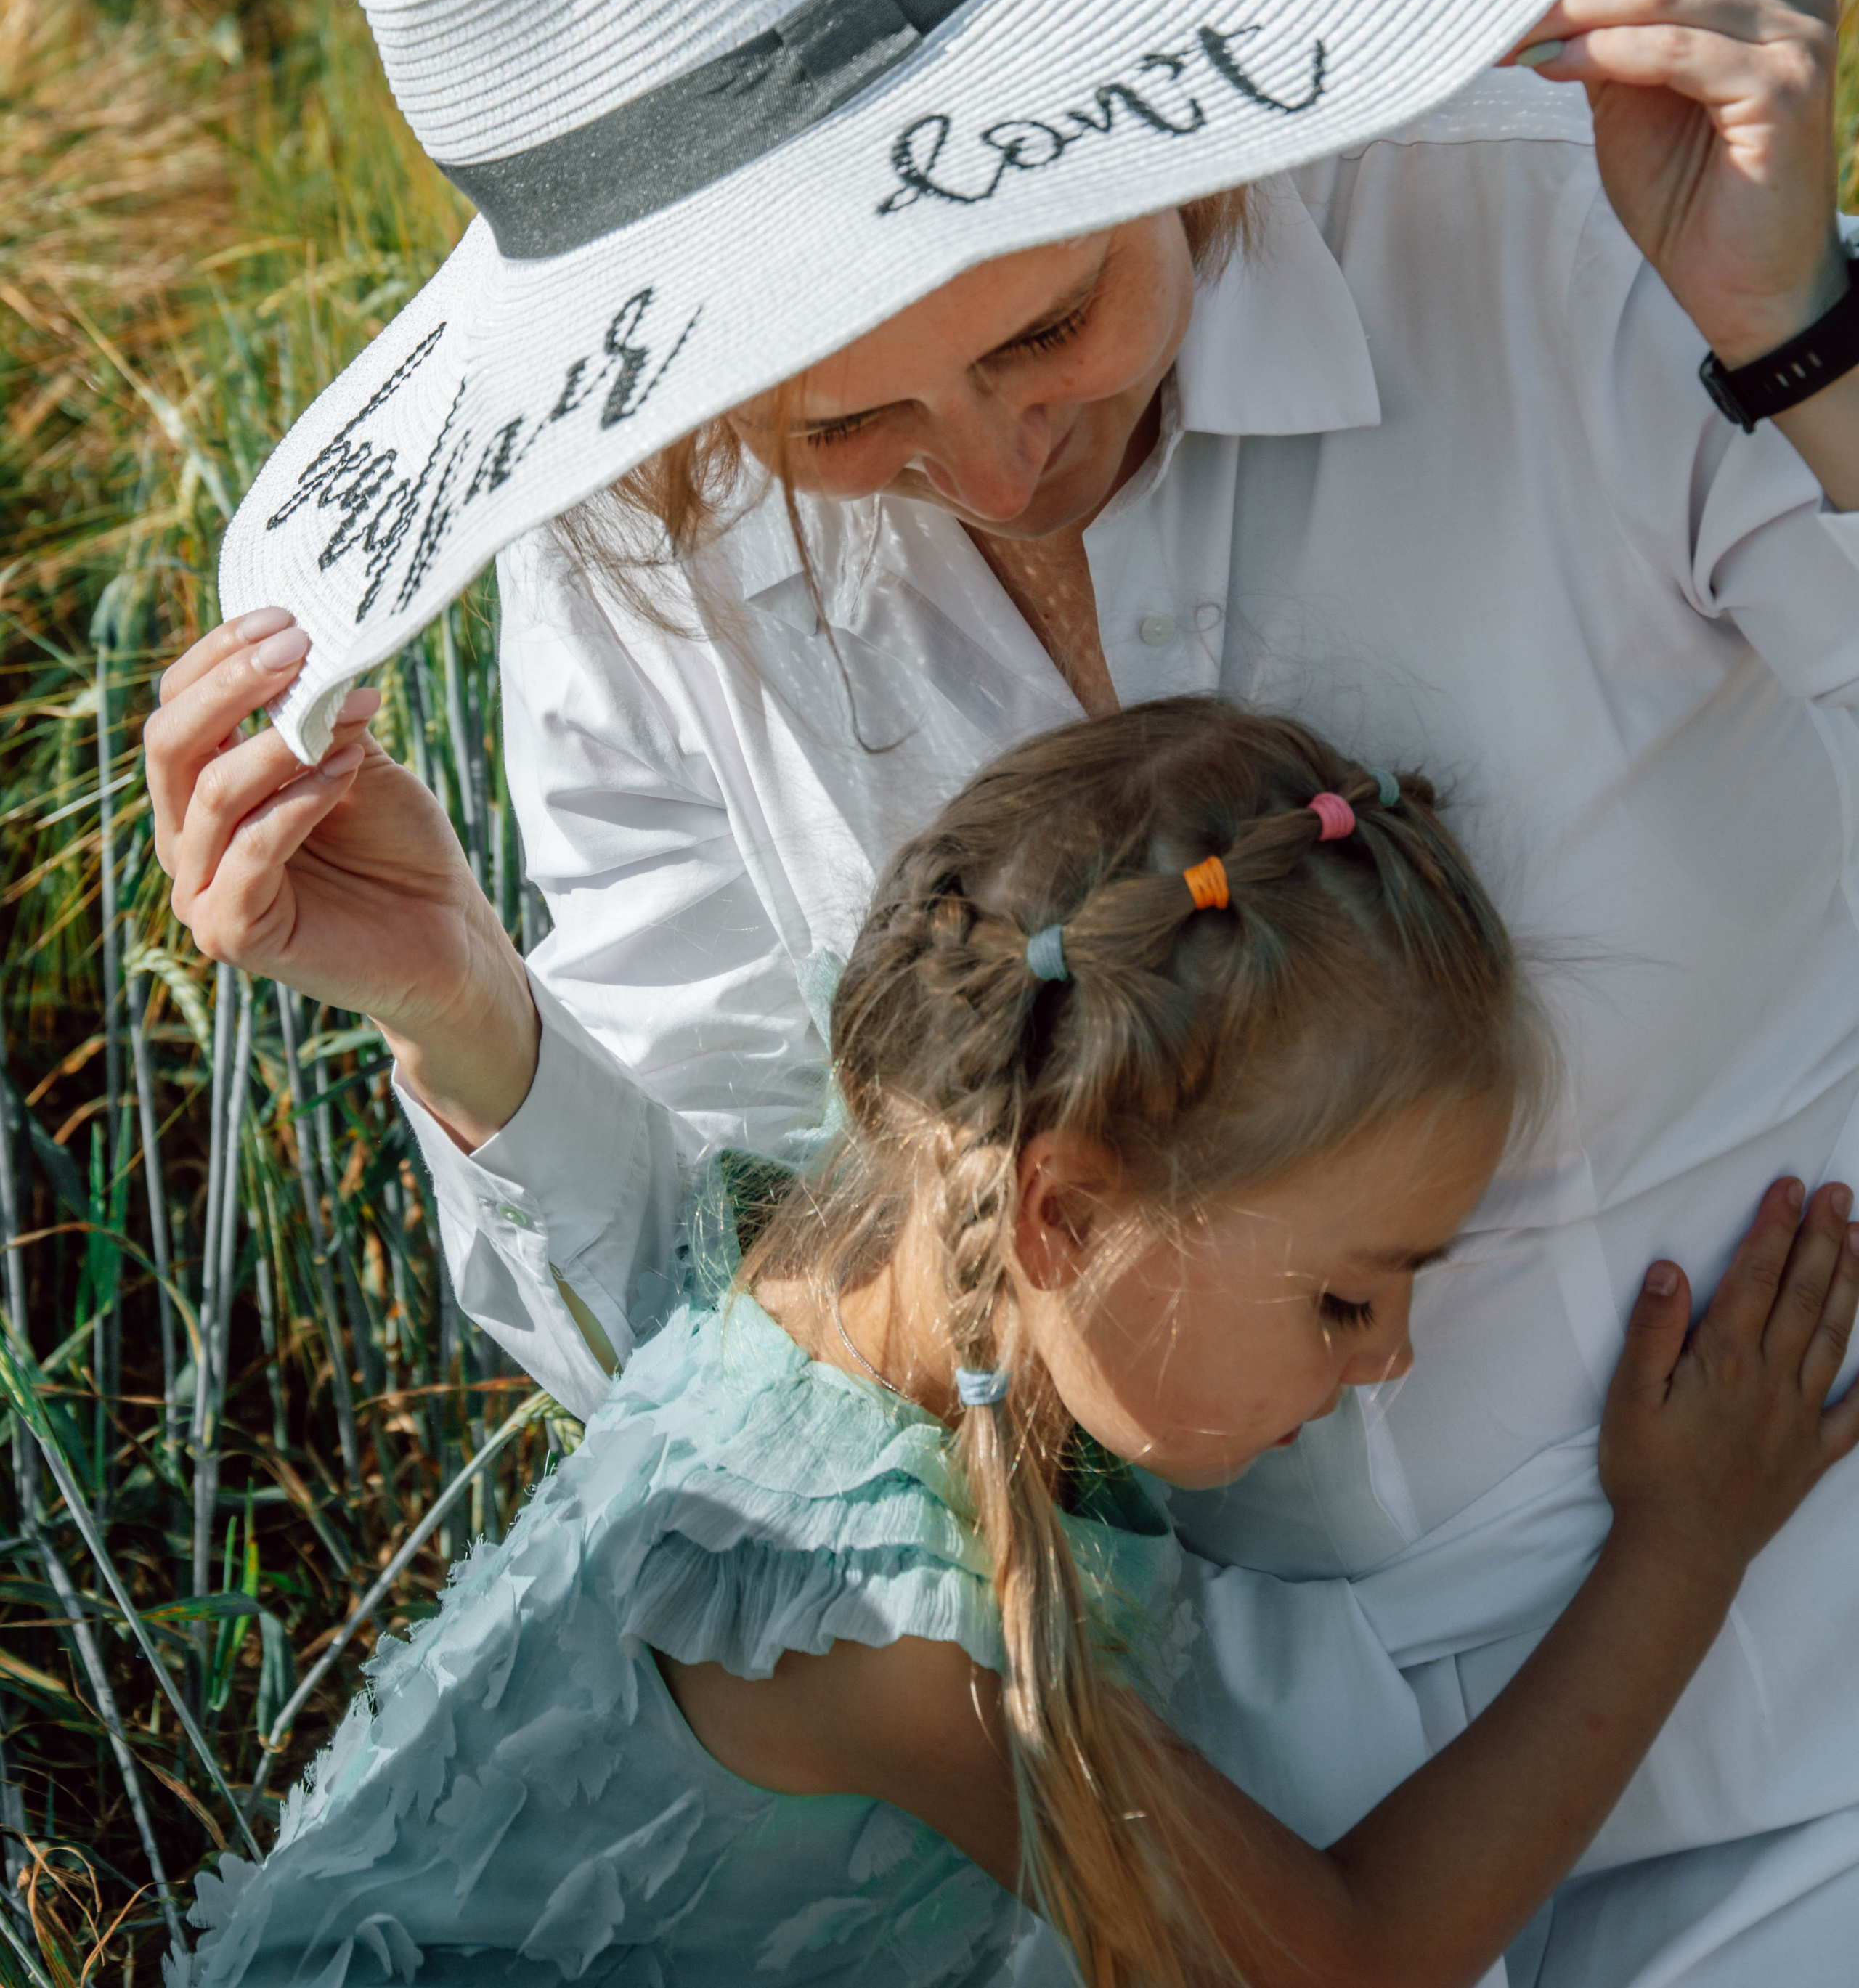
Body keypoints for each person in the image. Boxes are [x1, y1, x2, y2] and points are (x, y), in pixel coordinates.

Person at [150, 0, 1859, 1984]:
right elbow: (759, 1321)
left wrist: (1809, 337)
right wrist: (469, 1021)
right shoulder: (640, 546)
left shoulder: (1586, 230)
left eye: (1047, 324)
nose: (992, 461)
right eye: (842, 427)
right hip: (1162, 1803)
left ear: (1152, 126)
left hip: (1807, 1667)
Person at [174, 701, 1859, 1988]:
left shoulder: (820, 1267)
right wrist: (1683, 1542)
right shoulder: (878, 1627)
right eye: (1345, 1297)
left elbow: (624, 1206)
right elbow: (1342, 1966)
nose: (1384, 1362)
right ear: (1056, 1213)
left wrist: (455, 993)